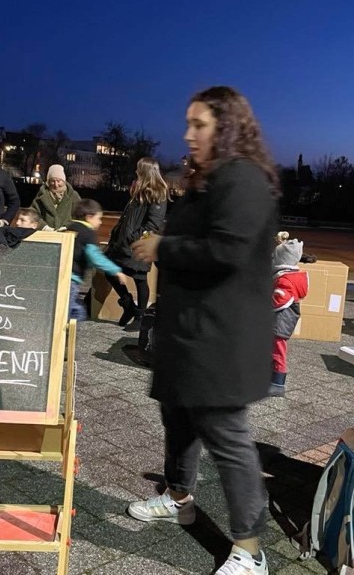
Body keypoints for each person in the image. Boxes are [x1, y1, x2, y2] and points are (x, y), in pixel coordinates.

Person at [127, 86, 279, 575]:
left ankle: (251, 551)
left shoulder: (243, 177)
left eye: (199, 125)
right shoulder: (208, 179)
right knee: (178, 419)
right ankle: (178, 499)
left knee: (228, 441)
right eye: (188, 124)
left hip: (221, 338)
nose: (188, 134)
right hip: (188, 332)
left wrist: (162, 248)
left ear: (227, 127)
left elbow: (228, 250)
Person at [104, 157, 169, 328]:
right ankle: (129, 306)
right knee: (109, 270)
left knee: (140, 279)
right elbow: (128, 218)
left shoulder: (158, 194)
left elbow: (153, 225)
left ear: (146, 171)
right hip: (124, 243)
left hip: (138, 244)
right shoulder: (139, 191)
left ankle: (140, 317)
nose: (136, 171)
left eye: (139, 169)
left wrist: (135, 239)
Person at [65, 199, 127, 322]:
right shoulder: (88, 233)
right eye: (98, 218)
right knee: (75, 312)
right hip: (72, 279)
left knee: (67, 308)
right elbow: (95, 257)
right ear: (89, 217)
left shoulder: (68, 227)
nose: (100, 222)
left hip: (60, 277)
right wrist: (116, 271)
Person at [270, 237, 309, 397]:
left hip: (281, 321)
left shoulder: (284, 280)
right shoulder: (291, 276)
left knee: (277, 351)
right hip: (283, 320)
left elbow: (280, 299)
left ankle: (277, 384)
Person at [31, 164, 80, 229]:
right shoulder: (42, 195)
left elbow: (80, 215)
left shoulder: (73, 195)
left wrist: (68, 226)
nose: (56, 185)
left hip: (68, 233)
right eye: (52, 181)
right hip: (46, 233)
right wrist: (43, 226)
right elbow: (33, 213)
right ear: (48, 182)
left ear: (64, 181)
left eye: (58, 181)